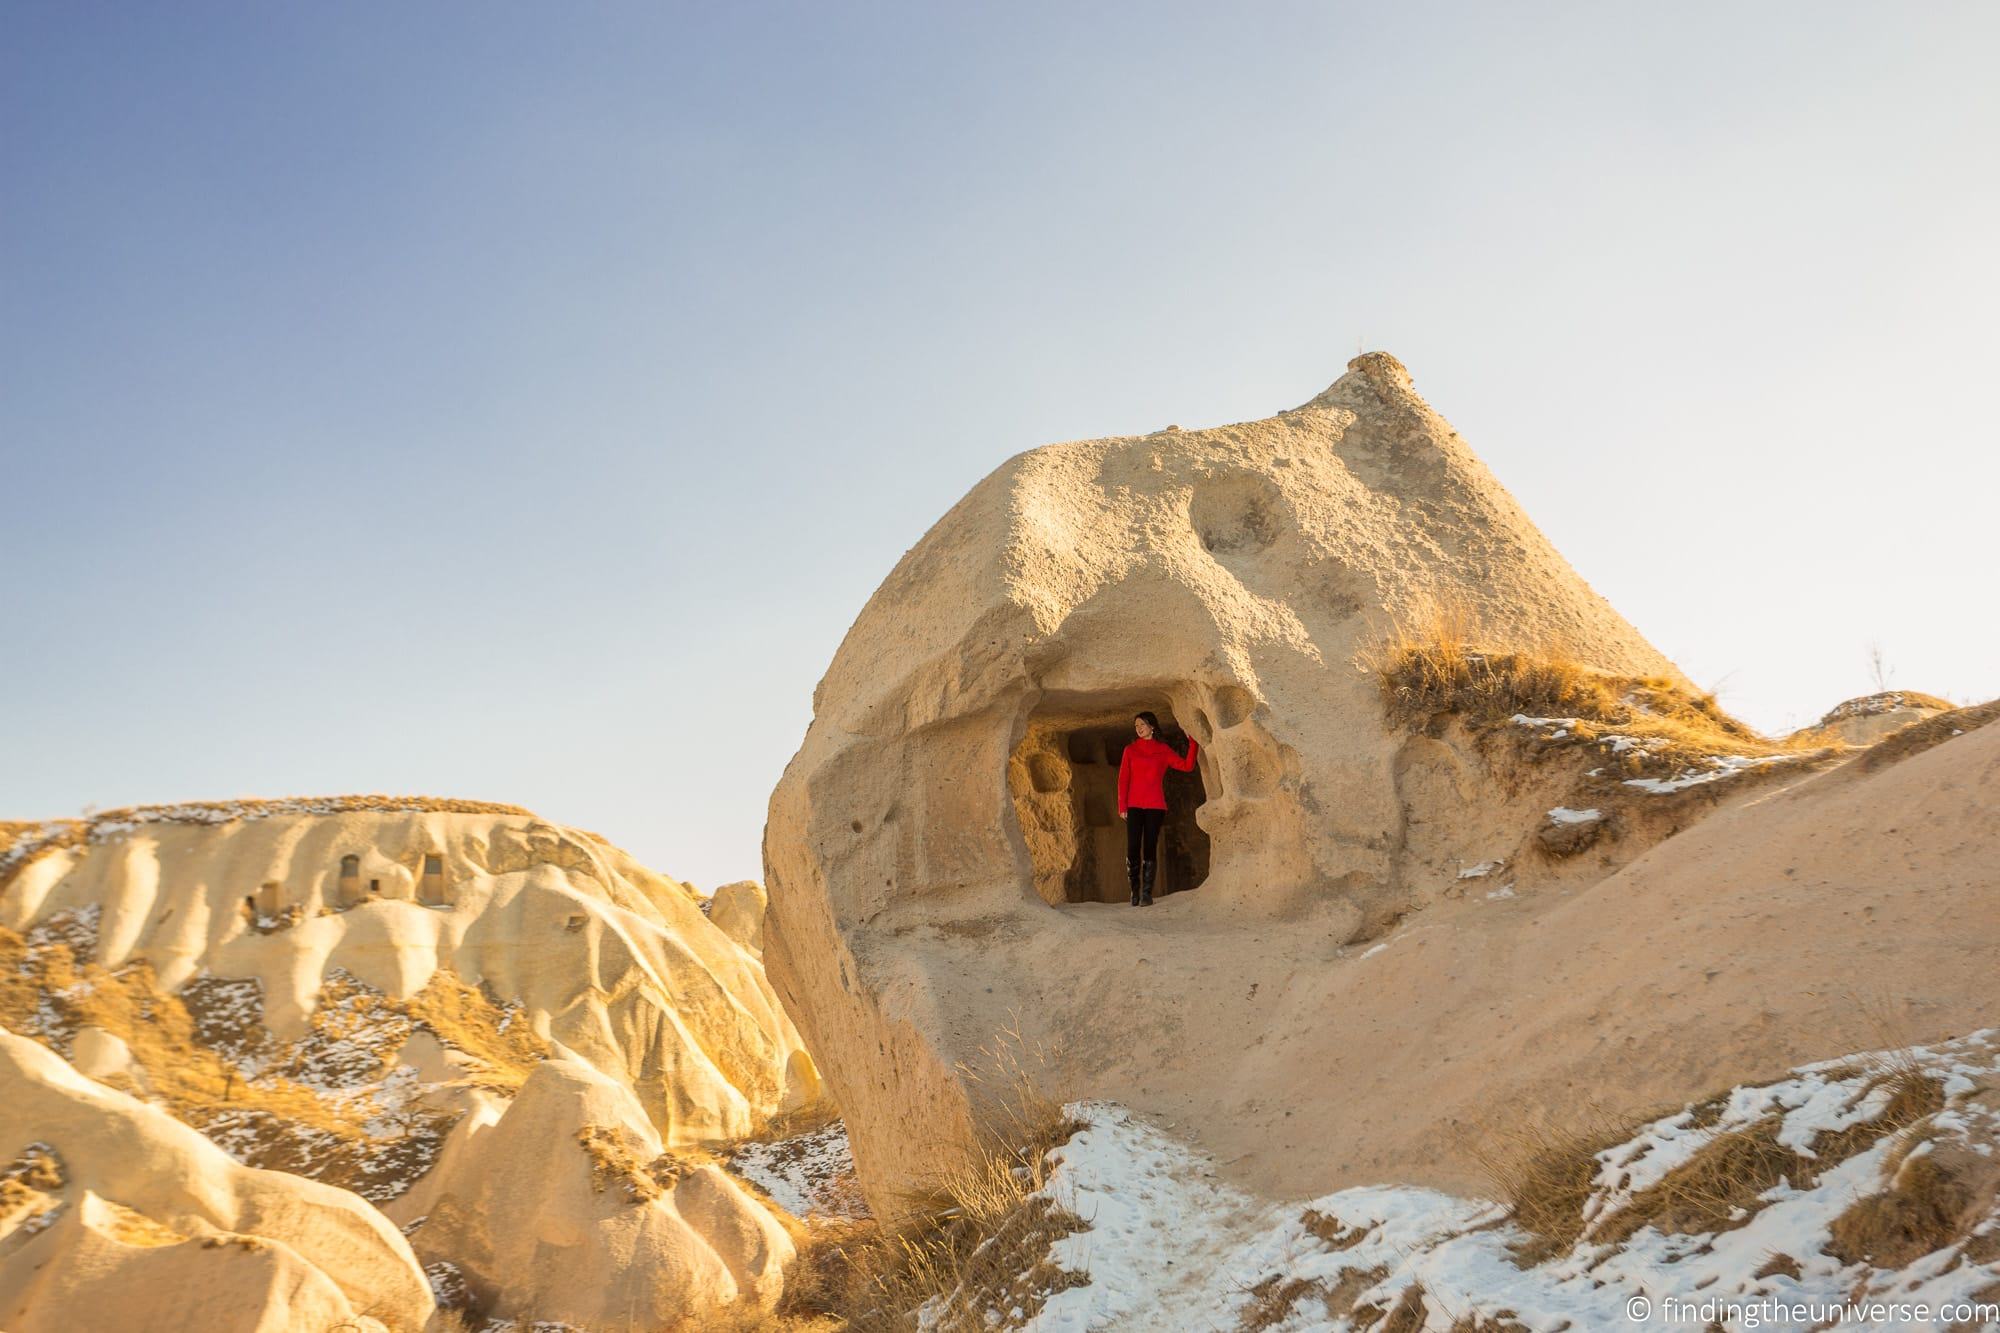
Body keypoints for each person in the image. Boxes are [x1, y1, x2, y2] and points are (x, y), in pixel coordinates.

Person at [1116, 711, 1199, 907]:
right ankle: (1134, 892)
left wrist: (1193, 742)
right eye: (1136, 726)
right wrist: (1122, 806)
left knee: (1151, 847)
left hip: (1155, 805)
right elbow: (1123, 779)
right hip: (1133, 805)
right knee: (1133, 847)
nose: (1138, 728)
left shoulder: (1163, 750)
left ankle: (1146, 894)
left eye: (1142, 724)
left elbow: (1187, 766)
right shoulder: (1130, 750)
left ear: (1152, 726)